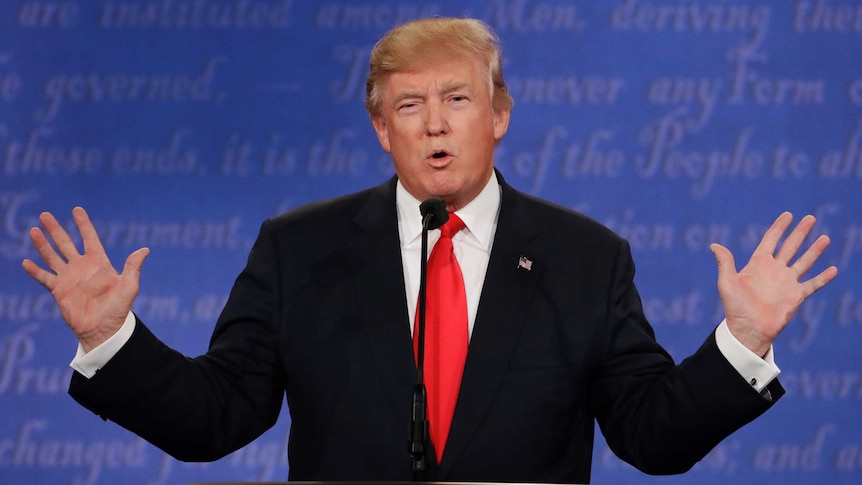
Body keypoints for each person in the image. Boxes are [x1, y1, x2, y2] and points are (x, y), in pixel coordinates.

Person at [22, 17, 837, 483]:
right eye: (410, 104)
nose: (436, 123)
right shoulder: (297, 249)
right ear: (382, 128)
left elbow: (651, 435)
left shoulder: (587, 257)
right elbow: (213, 417)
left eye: (457, 98)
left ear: (501, 113)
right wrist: (111, 341)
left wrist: (741, 344)